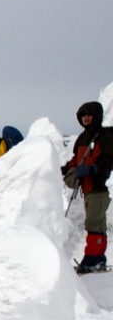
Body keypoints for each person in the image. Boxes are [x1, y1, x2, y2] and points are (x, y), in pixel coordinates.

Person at [61, 101, 113, 273]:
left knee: (93, 225)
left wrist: (93, 169)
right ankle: (98, 258)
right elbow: (76, 159)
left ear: (97, 116)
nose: (86, 117)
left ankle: (91, 259)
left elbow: (109, 160)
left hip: (97, 188)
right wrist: (64, 168)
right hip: (88, 189)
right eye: (83, 115)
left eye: (90, 114)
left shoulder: (104, 136)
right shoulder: (82, 139)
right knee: (98, 226)